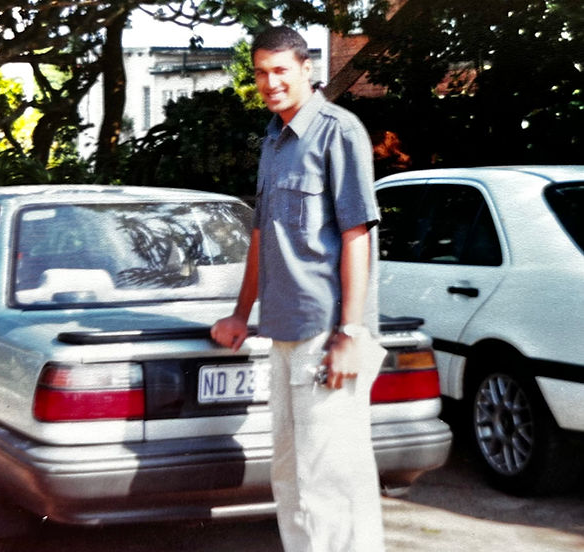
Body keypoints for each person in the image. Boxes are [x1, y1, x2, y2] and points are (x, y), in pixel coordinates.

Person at [210, 27, 385, 552]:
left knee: (329, 481)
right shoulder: (273, 138)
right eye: (261, 72)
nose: (270, 81)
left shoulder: (339, 131)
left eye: (281, 69)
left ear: (307, 69)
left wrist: (350, 331)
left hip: (326, 334)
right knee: (290, 477)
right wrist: (242, 314)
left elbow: (357, 234)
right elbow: (264, 234)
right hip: (283, 332)